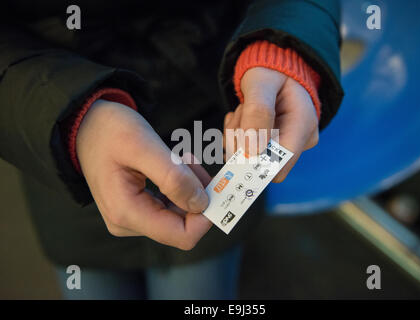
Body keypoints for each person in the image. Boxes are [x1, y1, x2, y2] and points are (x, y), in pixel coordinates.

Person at [0, 0, 344, 299]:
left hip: (219, 97)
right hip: (56, 139)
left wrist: (284, 48)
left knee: (200, 285)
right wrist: (71, 120)